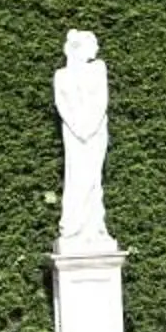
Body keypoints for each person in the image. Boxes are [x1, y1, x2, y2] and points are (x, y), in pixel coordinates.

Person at [53, 29, 110, 247]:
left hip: (95, 132)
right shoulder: (62, 75)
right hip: (74, 132)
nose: (97, 49)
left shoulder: (98, 68)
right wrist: (78, 128)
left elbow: (101, 101)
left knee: (93, 177)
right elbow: (62, 105)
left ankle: (94, 226)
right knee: (76, 175)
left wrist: (89, 127)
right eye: (93, 44)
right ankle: (73, 225)